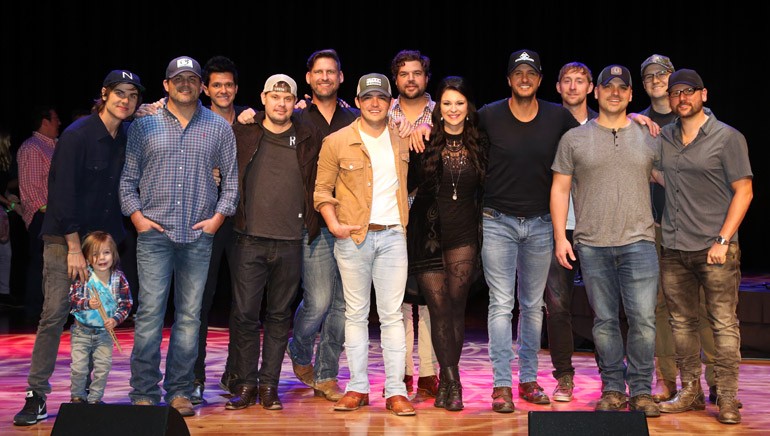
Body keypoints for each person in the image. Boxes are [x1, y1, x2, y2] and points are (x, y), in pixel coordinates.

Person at [13, 69, 144, 426]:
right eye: (119, 93)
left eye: (133, 95)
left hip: (102, 243)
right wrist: (73, 247)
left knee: (97, 317)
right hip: (66, 241)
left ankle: (85, 397)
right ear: (104, 93)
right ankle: (36, 395)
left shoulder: (127, 136)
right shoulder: (76, 135)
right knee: (55, 313)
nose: (126, 100)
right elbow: (62, 193)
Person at [120, 55, 238, 417]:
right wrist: (137, 218)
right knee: (151, 315)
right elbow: (128, 180)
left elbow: (231, 183)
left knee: (189, 317)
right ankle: (143, 390)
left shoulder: (218, 128)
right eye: (178, 79)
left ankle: (180, 390)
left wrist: (218, 218)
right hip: (154, 235)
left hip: (199, 237)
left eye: (192, 78)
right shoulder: (144, 125)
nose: (185, 84)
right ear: (166, 85)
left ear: (201, 85)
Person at [551, 64, 661, 418]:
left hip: (640, 242)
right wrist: (559, 237)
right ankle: (613, 388)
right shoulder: (574, 139)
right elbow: (560, 188)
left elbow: (672, 174)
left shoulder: (649, 136)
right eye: (607, 86)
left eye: (621, 87)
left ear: (630, 95)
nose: (614, 91)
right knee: (605, 322)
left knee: (643, 319)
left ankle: (642, 390)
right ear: (595, 93)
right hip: (592, 244)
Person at [479, 49, 579, 413]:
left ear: (539, 80)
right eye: (518, 72)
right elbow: (455, 132)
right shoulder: (489, 115)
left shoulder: (558, 117)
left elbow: (594, 135)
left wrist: (634, 120)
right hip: (497, 221)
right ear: (509, 79)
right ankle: (502, 384)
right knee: (501, 304)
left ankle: (528, 379)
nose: (524, 78)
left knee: (533, 307)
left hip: (540, 224)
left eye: (531, 73)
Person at [314, 73, 415, 416]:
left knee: (391, 316)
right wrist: (334, 225)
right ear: (357, 101)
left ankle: (396, 391)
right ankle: (357, 387)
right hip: (353, 237)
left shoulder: (403, 138)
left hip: (392, 237)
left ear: (391, 102)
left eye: (381, 97)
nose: (375, 103)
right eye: (368, 97)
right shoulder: (337, 141)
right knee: (354, 315)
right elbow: (321, 191)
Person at [656, 69, 753, 425]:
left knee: (724, 325)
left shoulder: (727, 138)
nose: (681, 98)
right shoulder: (665, 137)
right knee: (681, 324)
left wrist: (723, 240)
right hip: (674, 247)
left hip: (715, 249)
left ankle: (727, 397)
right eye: (675, 93)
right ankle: (691, 392)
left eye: (689, 92)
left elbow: (745, 191)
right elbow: (658, 173)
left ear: (703, 95)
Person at [224, 74, 324, 411]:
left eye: (287, 98)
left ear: (294, 102)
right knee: (244, 316)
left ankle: (269, 385)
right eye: (274, 96)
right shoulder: (245, 131)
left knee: (280, 317)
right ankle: (245, 383)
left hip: (291, 242)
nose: (280, 103)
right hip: (249, 239)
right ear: (263, 99)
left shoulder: (306, 136)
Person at [638, 54, 721, 406]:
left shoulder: (696, 117)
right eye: (649, 75)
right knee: (659, 308)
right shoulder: (637, 123)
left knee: (704, 306)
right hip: (655, 225)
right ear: (642, 84)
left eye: (664, 74)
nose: (657, 79)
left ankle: (717, 380)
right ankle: (669, 381)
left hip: (699, 227)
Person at [407, 76, 487, 411]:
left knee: (455, 310)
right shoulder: (422, 142)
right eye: (447, 103)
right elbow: (407, 185)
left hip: (463, 236)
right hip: (426, 236)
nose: (453, 109)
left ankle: (447, 384)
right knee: (437, 311)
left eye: (459, 103)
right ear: (438, 109)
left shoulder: (482, 144)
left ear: (468, 108)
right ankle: (452, 383)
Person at [286, 49, 359, 402]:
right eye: (319, 72)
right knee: (318, 301)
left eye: (332, 72)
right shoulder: (298, 118)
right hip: (312, 223)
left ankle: (327, 374)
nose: (326, 77)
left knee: (344, 307)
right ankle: (299, 351)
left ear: (341, 78)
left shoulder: (357, 118)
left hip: (352, 223)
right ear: (309, 78)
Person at [191, 55, 249, 405]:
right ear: (205, 89)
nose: (223, 90)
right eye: (217, 85)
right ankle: (193, 376)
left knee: (244, 305)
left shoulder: (249, 120)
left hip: (244, 222)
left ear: (236, 88)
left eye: (229, 84)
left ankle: (237, 374)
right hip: (206, 220)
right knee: (199, 302)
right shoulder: (193, 120)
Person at [544, 61, 597, 402]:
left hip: (597, 227)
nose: (574, 87)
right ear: (558, 87)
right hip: (557, 227)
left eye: (581, 81)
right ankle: (564, 376)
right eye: (568, 81)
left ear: (591, 87)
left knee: (603, 306)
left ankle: (611, 376)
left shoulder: (607, 122)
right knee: (557, 305)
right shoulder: (547, 122)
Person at [388, 49, 439, 397]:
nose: (410, 79)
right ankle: (403, 370)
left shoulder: (444, 112)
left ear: (426, 77)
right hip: (392, 211)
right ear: (396, 78)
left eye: (416, 73)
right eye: (404, 73)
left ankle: (429, 373)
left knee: (432, 294)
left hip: (433, 215)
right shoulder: (379, 110)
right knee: (399, 297)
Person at [68, 231, 132, 405]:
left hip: (104, 333)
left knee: (103, 368)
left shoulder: (119, 279)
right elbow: (72, 300)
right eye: (95, 254)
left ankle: (95, 399)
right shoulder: (84, 276)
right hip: (82, 331)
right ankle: (77, 397)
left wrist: (116, 319)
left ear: (114, 254)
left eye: (106, 252)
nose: (101, 258)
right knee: (79, 368)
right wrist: (87, 303)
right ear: (87, 258)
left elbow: (126, 304)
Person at [17, 105, 61, 320]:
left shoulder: (54, 146)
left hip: (56, 215)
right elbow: (32, 189)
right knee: (40, 265)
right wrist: (48, 212)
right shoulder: (33, 147)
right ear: (44, 121)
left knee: (56, 267)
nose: (59, 123)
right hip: (43, 216)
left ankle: (53, 311)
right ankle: (34, 313)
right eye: (55, 119)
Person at [0, 128, 20, 308]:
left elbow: (3, 187)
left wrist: (9, 197)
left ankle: (4, 293)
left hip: (2, 211)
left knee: (6, 253)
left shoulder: (4, 163)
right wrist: (9, 202)